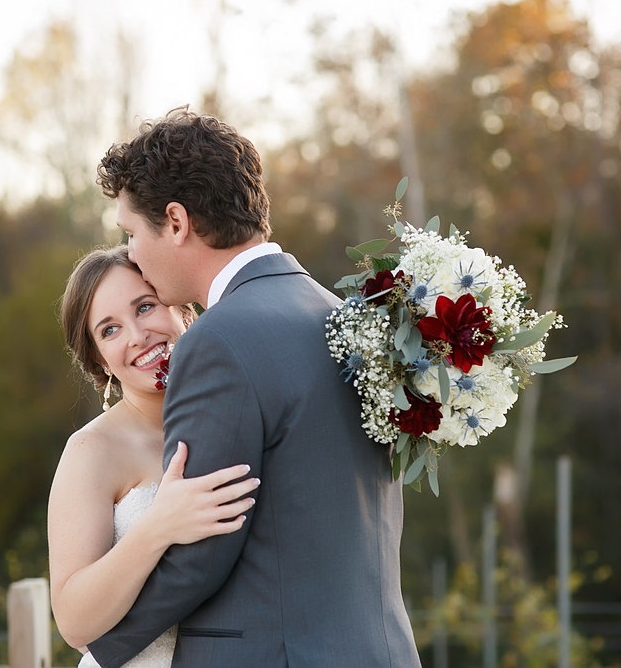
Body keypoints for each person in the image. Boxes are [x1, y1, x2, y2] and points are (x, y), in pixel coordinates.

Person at [86, 108, 421, 667]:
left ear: (175, 221)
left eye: (131, 233)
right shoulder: (345, 318)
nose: (134, 256)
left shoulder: (218, 341)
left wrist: (102, 654)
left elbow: (204, 549)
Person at [48, 245, 260, 668]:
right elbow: (73, 623)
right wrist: (158, 527)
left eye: (145, 307)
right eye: (110, 330)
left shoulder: (240, 411)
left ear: (183, 310)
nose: (136, 335)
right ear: (99, 360)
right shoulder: (92, 451)